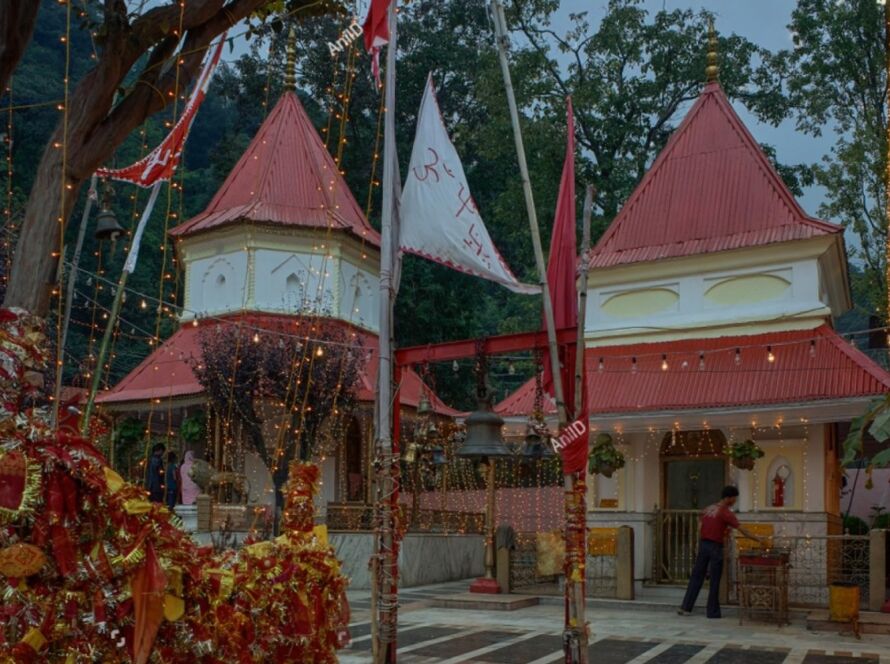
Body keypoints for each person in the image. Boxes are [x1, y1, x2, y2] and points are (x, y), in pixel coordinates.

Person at [678, 485, 763, 619]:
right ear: (729, 498)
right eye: (734, 498)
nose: (735, 501)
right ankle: (712, 612)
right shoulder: (726, 513)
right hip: (715, 547)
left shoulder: (708, 509)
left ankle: (686, 607)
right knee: (715, 580)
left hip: (703, 544)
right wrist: (758, 539)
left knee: (696, 577)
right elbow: (742, 530)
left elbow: (700, 527)